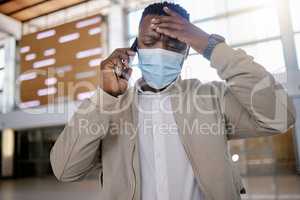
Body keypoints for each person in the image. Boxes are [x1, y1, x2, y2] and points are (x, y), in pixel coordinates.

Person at [50, 2, 296, 200]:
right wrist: (105, 97)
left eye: (174, 43)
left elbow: (281, 116)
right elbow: (65, 169)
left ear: (187, 50)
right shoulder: (112, 109)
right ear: (134, 50)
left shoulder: (212, 99)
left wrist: (211, 47)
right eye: (149, 42)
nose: (160, 49)